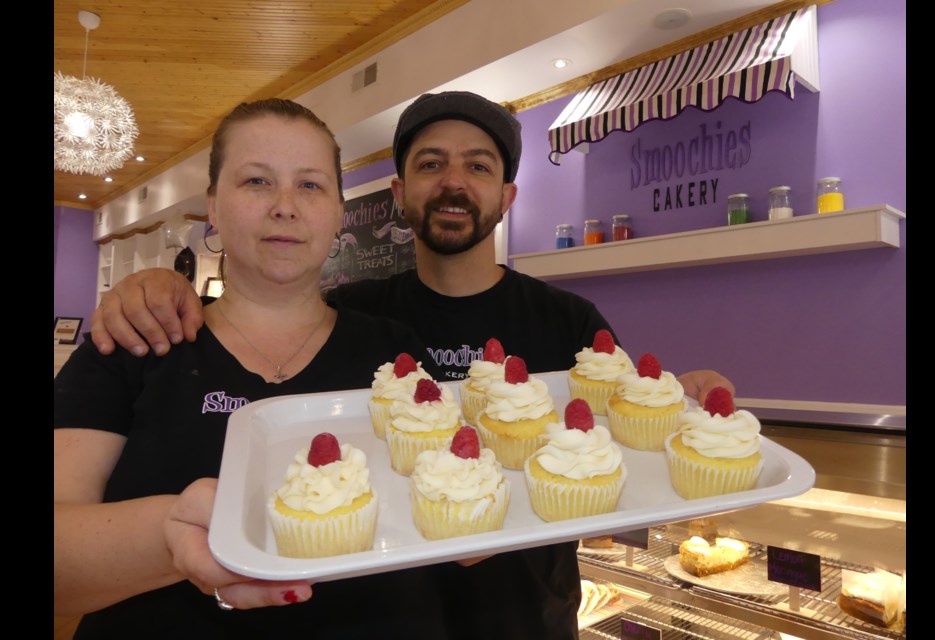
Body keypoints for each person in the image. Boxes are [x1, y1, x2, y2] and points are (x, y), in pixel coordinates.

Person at [90, 91, 735, 639]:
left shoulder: (568, 320)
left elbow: (618, 432)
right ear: (398, 192)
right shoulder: (360, 321)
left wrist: (680, 403)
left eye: (478, 166)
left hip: (526, 621)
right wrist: (156, 284)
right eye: (431, 164)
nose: (454, 182)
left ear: (507, 195)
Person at [54, 98, 451, 639]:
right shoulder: (133, 341)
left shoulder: (395, 354)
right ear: (212, 206)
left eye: (311, 185)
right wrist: (171, 537)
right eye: (257, 182)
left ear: (338, 211)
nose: (285, 206)